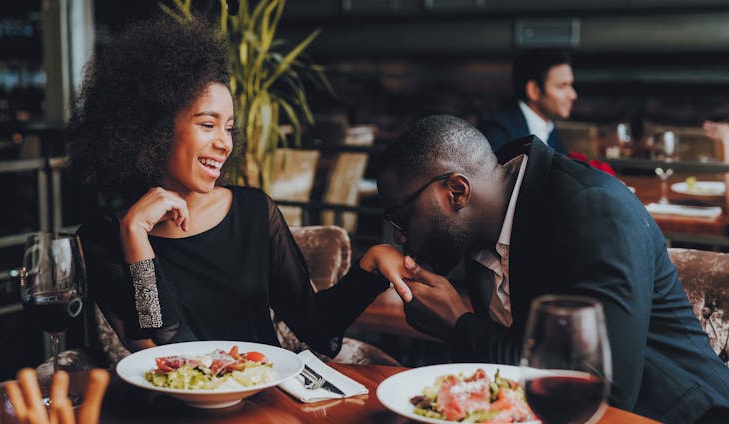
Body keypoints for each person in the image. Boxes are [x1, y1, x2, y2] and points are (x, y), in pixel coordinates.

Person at [67, 16, 406, 359]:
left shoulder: (254, 212)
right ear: (152, 129)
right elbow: (169, 354)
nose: (224, 143)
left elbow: (316, 328)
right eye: (207, 124)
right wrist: (136, 238)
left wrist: (370, 269)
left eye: (228, 128)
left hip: (267, 400)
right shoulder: (106, 238)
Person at [376, 114, 729, 423]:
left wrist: (459, 325)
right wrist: (372, 269)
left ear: (456, 191)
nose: (399, 235)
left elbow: (599, 389)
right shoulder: (478, 223)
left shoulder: (593, 210)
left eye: (402, 217)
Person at [480, 50, 577, 153]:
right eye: (562, 86)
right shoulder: (499, 131)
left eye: (570, 85)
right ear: (533, 90)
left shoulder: (551, 132)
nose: (573, 95)